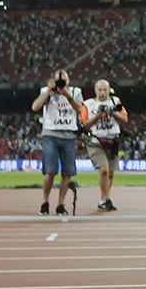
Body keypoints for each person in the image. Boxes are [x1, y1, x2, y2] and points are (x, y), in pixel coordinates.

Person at [31, 69, 82, 216]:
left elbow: (80, 110)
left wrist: (67, 95)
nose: (61, 84)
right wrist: (48, 91)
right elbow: (35, 107)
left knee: (67, 173)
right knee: (50, 171)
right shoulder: (46, 91)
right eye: (59, 81)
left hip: (69, 135)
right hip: (51, 134)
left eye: (64, 81)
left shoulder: (75, 91)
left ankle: (60, 204)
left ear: (68, 81)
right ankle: (45, 202)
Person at [80, 79, 129, 211]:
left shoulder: (115, 101)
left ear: (109, 90)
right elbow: (82, 124)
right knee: (104, 170)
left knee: (111, 174)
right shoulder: (88, 104)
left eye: (105, 90)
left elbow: (125, 118)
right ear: (95, 91)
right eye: (100, 90)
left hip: (113, 140)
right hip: (95, 140)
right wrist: (96, 117)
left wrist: (115, 114)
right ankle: (107, 200)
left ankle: (103, 200)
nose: (102, 93)